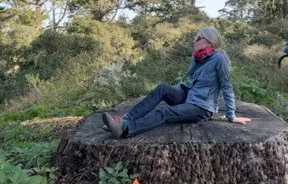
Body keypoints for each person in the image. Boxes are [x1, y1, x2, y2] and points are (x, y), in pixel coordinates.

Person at [102, 27, 251, 138]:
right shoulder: (197, 57)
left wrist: (232, 115)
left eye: (198, 38)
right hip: (189, 97)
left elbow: (227, 86)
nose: (194, 41)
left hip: (201, 108)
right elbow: (191, 81)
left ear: (209, 42)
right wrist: (176, 93)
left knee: (165, 112)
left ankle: (125, 129)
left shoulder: (219, 60)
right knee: (163, 88)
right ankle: (125, 119)